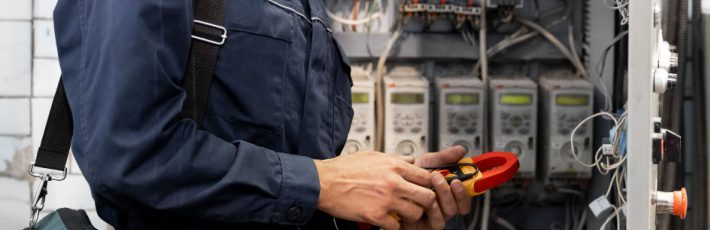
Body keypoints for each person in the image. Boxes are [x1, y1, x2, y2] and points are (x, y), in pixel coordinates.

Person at [53, 0, 471, 229]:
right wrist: (324, 183)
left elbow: (295, 174)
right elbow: (131, 154)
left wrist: (383, 198)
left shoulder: (311, 9)